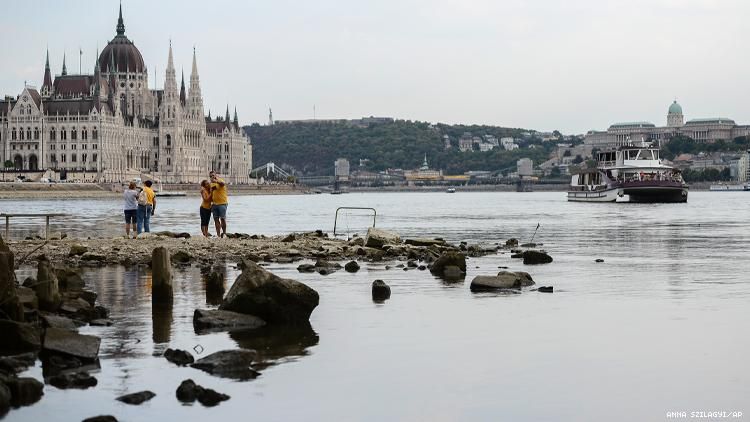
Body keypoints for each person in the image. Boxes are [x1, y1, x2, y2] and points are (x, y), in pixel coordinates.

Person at [209, 171, 228, 238]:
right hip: (214, 204)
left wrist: (216, 181)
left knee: (222, 219)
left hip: (222, 203)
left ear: (216, 175)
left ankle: (224, 233)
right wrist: (210, 204)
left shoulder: (220, 181)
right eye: (210, 176)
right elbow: (211, 194)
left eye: (213, 175)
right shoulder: (211, 184)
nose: (212, 177)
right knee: (216, 219)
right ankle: (218, 235)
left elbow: (223, 184)